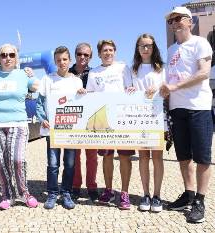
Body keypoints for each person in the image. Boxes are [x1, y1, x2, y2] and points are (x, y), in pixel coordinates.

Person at [160, 6, 213, 223]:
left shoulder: (200, 43)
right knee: (183, 155)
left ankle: (200, 200)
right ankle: (188, 194)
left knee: (202, 156)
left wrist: (175, 87)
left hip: (198, 105)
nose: (173, 23)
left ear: (189, 21)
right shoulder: (171, 49)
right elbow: (168, 79)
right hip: (177, 108)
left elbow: (203, 73)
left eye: (178, 19)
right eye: (170, 21)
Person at [0, 43, 39, 210]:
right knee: (0, 161)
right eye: (4, 55)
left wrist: (32, 74)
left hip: (18, 122)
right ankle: (7, 195)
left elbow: (36, 87)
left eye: (11, 55)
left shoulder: (23, 74)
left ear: (16, 58)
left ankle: (24, 192)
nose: (7, 58)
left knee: (17, 159)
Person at [86, 39, 135, 210]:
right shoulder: (94, 72)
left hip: (122, 118)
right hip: (103, 120)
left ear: (115, 51)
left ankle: (124, 193)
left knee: (124, 157)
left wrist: (132, 90)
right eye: (104, 50)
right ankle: (108, 190)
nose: (108, 53)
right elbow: (90, 96)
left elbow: (131, 88)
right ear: (99, 54)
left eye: (111, 50)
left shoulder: (123, 67)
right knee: (107, 157)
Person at [36, 46, 84, 210]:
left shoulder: (76, 80)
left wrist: (82, 94)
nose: (62, 62)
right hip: (53, 130)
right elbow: (40, 103)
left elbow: (81, 104)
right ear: (55, 62)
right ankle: (52, 193)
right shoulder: (47, 79)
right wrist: (43, 118)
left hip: (71, 130)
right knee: (53, 163)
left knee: (70, 164)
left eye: (64, 59)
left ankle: (66, 193)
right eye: (58, 60)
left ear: (69, 60)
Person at [131, 33, 165, 212]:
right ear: (137, 48)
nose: (145, 49)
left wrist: (159, 89)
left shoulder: (161, 68)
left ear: (154, 47)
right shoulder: (133, 69)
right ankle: (145, 193)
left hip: (156, 117)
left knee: (157, 157)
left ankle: (157, 195)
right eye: (142, 46)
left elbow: (167, 89)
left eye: (149, 45)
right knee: (143, 157)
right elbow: (127, 91)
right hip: (139, 119)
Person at [69, 43, 99, 201]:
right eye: (80, 54)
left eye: (86, 55)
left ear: (90, 57)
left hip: (92, 118)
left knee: (92, 155)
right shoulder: (67, 73)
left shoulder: (95, 74)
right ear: (75, 55)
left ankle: (92, 186)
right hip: (73, 119)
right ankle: (75, 186)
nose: (82, 57)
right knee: (75, 155)